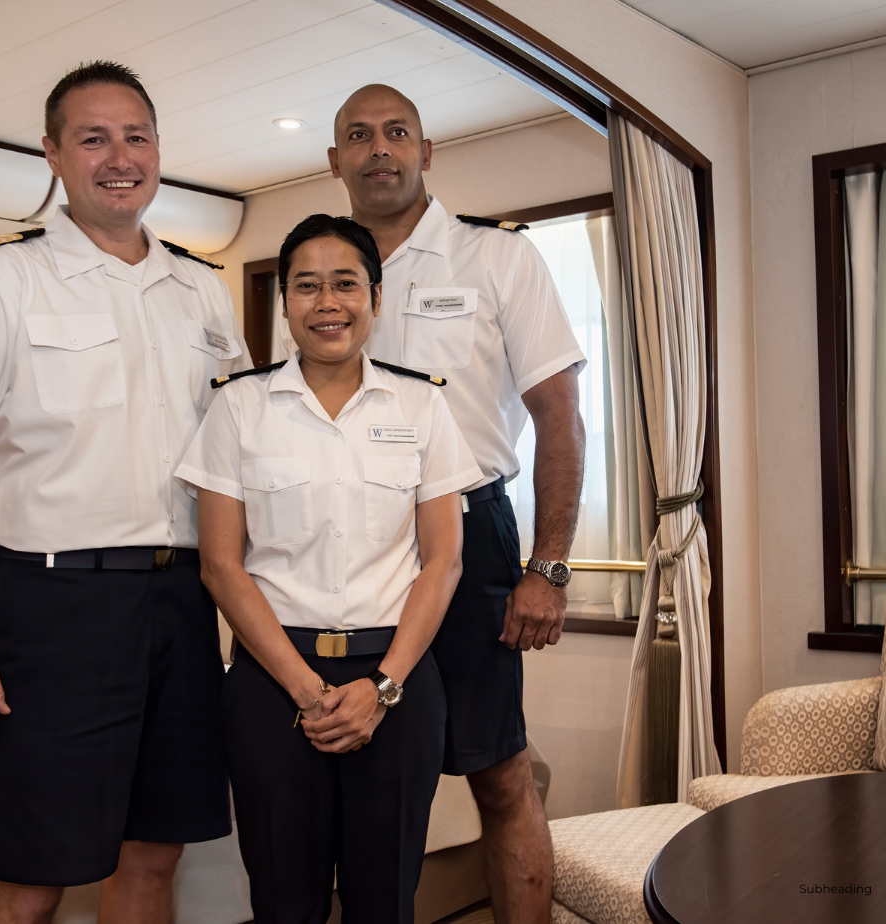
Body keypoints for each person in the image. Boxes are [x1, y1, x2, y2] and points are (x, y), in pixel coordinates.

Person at [0, 61, 250, 924]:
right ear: (52, 154)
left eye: (136, 137)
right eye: (93, 139)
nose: (120, 158)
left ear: (158, 149)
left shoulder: (202, 289)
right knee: (35, 874)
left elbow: (241, 457)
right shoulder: (1, 279)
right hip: (55, 605)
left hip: (185, 601)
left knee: (154, 855)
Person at [274, 85, 587, 921]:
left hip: (470, 535)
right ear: (334, 160)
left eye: (397, 132)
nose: (379, 148)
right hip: (344, 547)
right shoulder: (316, 279)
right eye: (359, 135)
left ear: (425, 151)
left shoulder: (497, 258)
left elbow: (559, 416)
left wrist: (548, 567)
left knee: (500, 772)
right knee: (359, 773)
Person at [180, 213, 478, 923]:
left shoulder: (422, 403)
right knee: (284, 903)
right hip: (272, 682)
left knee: (385, 902)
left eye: (345, 283)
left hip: (396, 679)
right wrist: (307, 691)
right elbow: (221, 566)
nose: (327, 303)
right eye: (307, 286)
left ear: (375, 296)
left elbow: (443, 561)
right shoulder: (238, 407)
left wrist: (382, 688)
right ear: (285, 302)